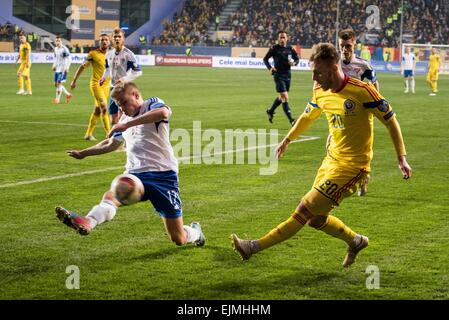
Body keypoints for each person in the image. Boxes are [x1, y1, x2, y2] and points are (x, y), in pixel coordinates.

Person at [231, 43, 412, 268]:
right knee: (316, 219)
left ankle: (252, 247)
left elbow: (391, 120)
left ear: (333, 68)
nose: (314, 77)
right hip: (330, 161)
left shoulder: (362, 91)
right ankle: (356, 241)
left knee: (304, 208)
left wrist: (401, 157)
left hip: (354, 168)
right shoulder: (320, 90)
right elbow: (308, 116)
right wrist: (287, 139)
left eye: (317, 72)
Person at [56, 82, 206, 248]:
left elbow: (163, 113)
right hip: (135, 175)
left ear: (135, 95)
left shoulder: (151, 104)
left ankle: (196, 233)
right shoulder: (124, 119)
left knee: (178, 238)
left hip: (163, 176)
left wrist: (126, 124)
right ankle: (88, 221)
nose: (123, 109)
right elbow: (111, 144)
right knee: (112, 195)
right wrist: (84, 153)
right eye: (119, 105)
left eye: (124, 103)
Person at [338, 29, 379, 196]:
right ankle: (338, 180)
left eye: (348, 45)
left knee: (361, 152)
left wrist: (376, 104)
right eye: (342, 46)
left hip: (361, 114)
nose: (345, 49)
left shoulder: (363, 65)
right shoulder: (335, 64)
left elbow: (374, 84)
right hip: (340, 112)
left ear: (354, 44)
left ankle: (364, 179)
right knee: (332, 147)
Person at [70, 34, 112, 141]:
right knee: (104, 107)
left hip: (107, 86)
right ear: (99, 42)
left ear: (109, 42)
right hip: (96, 85)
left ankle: (88, 134)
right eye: (102, 40)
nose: (104, 41)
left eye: (106, 40)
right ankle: (109, 135)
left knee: (98, 110)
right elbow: (82, 66)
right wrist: (74, 80)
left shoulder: (112, 55)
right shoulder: (93, 54)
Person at [100, 28, 142, 126]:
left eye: (119, 37)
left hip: (124, 89)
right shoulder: (109, 54)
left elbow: (138, 72)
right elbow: (107, 69)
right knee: (113, 120)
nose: (117, 39)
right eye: (115, 37)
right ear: (112, 39)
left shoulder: (129, 54)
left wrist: (125, 79)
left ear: (123, 39)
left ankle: (124, 140)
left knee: (123, 118)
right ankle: (115, 139)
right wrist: (103, 77)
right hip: (113, 89)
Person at [263, 31, 299, 126]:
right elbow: (265, 59)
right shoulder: (274, 48)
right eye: (280, 37)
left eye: (284, 37)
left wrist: (294, 63)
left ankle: (270, 111)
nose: (282, 39)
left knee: (282, 97)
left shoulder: (290, 48)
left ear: (287, 38)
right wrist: (270, 68)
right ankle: (291, 120)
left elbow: (297, 59)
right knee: (285, 97)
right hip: (278, 75)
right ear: (278, 39)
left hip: (288, 75)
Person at [52, 35, 72, 104]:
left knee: (59, 83)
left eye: (59, 41)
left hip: (62, 69)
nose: (57, 42)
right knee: (56, 84)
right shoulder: (55, 49)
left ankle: (57, 100)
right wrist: (54, 65)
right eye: (56, 41)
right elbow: (56, 58)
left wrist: (67, 68)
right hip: (57, 69)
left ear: (61, 42)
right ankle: (68, 94)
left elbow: (69, 59)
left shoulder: (64, 49)